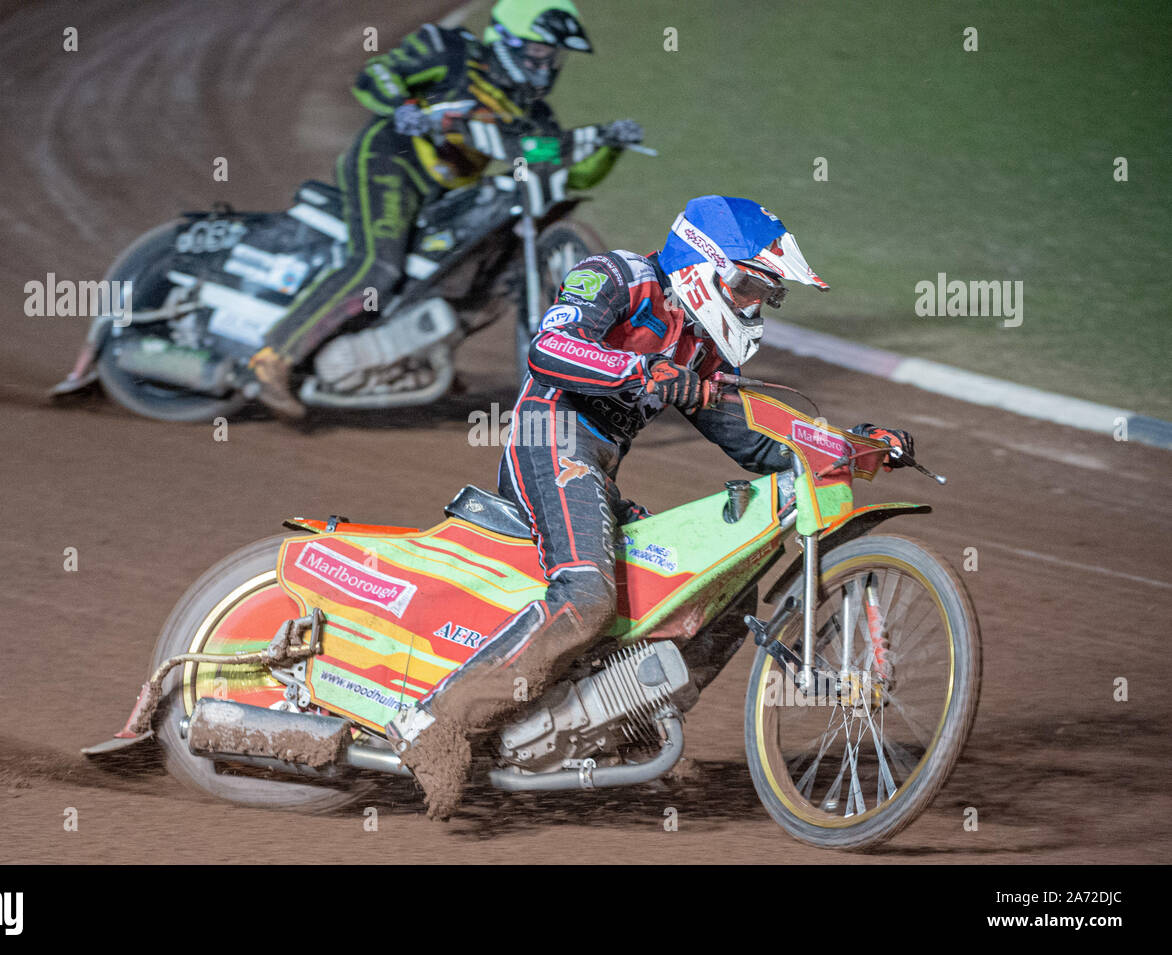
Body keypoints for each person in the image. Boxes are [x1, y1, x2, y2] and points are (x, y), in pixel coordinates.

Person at [385, 194, 916, 818]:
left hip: (597, 468)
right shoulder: (616, 277)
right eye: (745, 286)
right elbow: (548, 350)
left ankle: (623, 730)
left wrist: (848, 447)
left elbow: (749, 439)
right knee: (586, 595)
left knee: (718, 587)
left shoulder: (699, 349)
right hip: (548, 437)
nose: (750, 305)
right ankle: (432, 725)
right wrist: (640, 371)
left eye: (763, 296)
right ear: (701, 265)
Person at [248, 0, 643, 415]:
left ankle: (408, 355)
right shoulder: (451, 49)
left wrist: (608, 147)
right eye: (539, 52)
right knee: (378, 268)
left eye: (555, 57)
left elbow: (567, 174)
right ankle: (274, 357)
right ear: (508, 40)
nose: (546, 66)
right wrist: (404, 107)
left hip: (450, 194)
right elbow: (375, 74)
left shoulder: (534, 116)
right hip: (390, 164)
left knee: (475, 277)